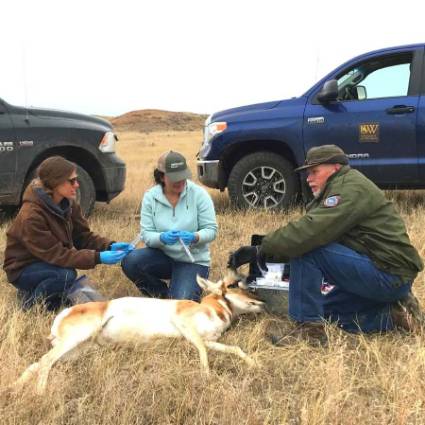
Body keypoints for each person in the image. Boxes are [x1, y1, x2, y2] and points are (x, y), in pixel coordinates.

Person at [228, 145, 424, 343]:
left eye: (314, 172)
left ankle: (309, 333)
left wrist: (262, 249)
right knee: (327, 311)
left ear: (336, 168)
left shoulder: (349, 189)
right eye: (307, 173)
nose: (308, 179)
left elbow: (309, 233)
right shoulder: (341, 187)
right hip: (380, 269)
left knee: (306, 249)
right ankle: (394, 316)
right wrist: (266, 252)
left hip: (388, 274)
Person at [3, 156, 133, 310]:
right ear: (54, 183)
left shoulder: (69, 204)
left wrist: (110, 246)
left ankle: (48, 298)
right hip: (23, 267)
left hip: (46, 260)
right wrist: (98, 257)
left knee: (64, 288)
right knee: (65, 275)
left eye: (76, 180)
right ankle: (30, 304)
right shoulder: (31, 216)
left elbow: (83, 236)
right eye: (71, 181)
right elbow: (57, 254)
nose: (77, 185)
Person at [121, 150, 217, 301]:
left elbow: (211, 230)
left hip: (192, 261)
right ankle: (162, 295)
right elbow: (147, 234)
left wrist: (195, 237)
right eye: (174, 178)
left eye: (183, 177)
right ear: (161, 176)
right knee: (130, 261)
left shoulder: (199, 195)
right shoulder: (150, 197)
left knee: (182, 303)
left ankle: (178, 292)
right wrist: (162, 238)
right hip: (162, 256)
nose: (180, 182)